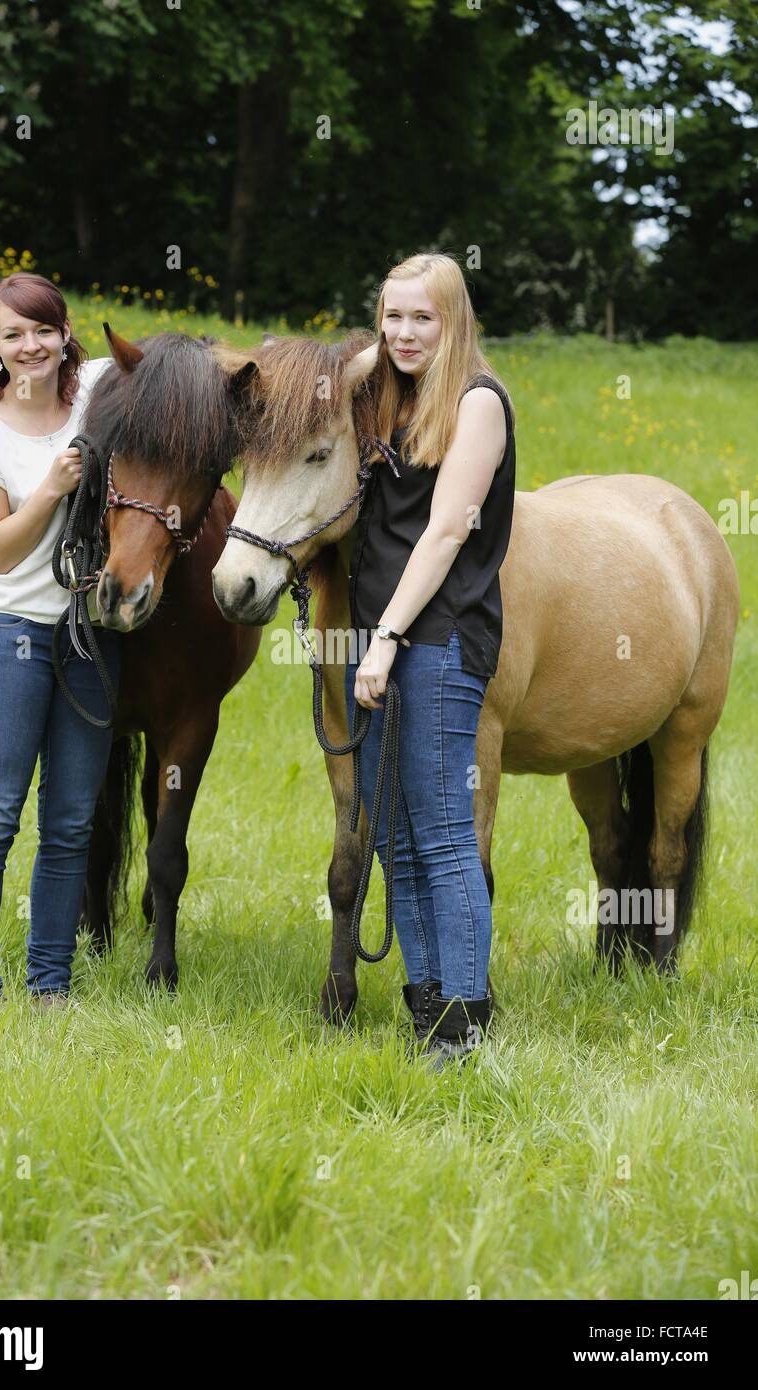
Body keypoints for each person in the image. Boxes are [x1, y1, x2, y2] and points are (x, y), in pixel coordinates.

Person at [345, 251, 516, 1069]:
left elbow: (447, 531)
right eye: (392, 316)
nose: (405, 332)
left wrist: (382, 640)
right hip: (382, 642)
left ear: (455, 322)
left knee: (444, 835)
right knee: (395, 841)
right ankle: (428, 1010)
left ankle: (464, 1022)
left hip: (439, 640)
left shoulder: (477, 403)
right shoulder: (389, 394)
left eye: (424, 317)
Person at [0, 271, 120, 1006]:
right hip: (7, 635)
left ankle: (50, 983)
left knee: (73, 818)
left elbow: (174, 366)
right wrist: (52, 485)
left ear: (65, 332)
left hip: (89, 638)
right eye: (13, 334)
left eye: (42, 330)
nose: (30, 346)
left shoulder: (96, 395)